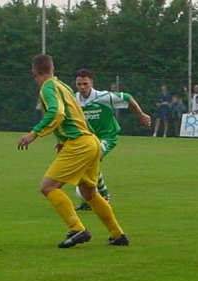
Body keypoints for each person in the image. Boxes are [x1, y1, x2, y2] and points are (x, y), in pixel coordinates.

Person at [18, 54, 129, 248]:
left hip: (79, 144)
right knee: (89, 193)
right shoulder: (64, 86)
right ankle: (117, 234)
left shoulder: (47, 88)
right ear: (53, 70)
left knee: (48, 187)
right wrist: (63, 139)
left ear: (34, 72)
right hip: (90, 141)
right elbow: (75, 115)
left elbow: (57, 112)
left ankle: (77, 229)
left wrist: (34, 133)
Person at [75, 69, 151, 211]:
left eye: (85, 83)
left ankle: (103, 194)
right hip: (89, 140)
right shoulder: (74, 100)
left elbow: (127, 97)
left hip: (107, 136)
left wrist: (141, 114)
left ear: (92, 82)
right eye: (79, 84)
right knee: (87, 167)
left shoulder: (103, 96)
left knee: (90, 160)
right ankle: (90, 200)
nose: (82, 87)